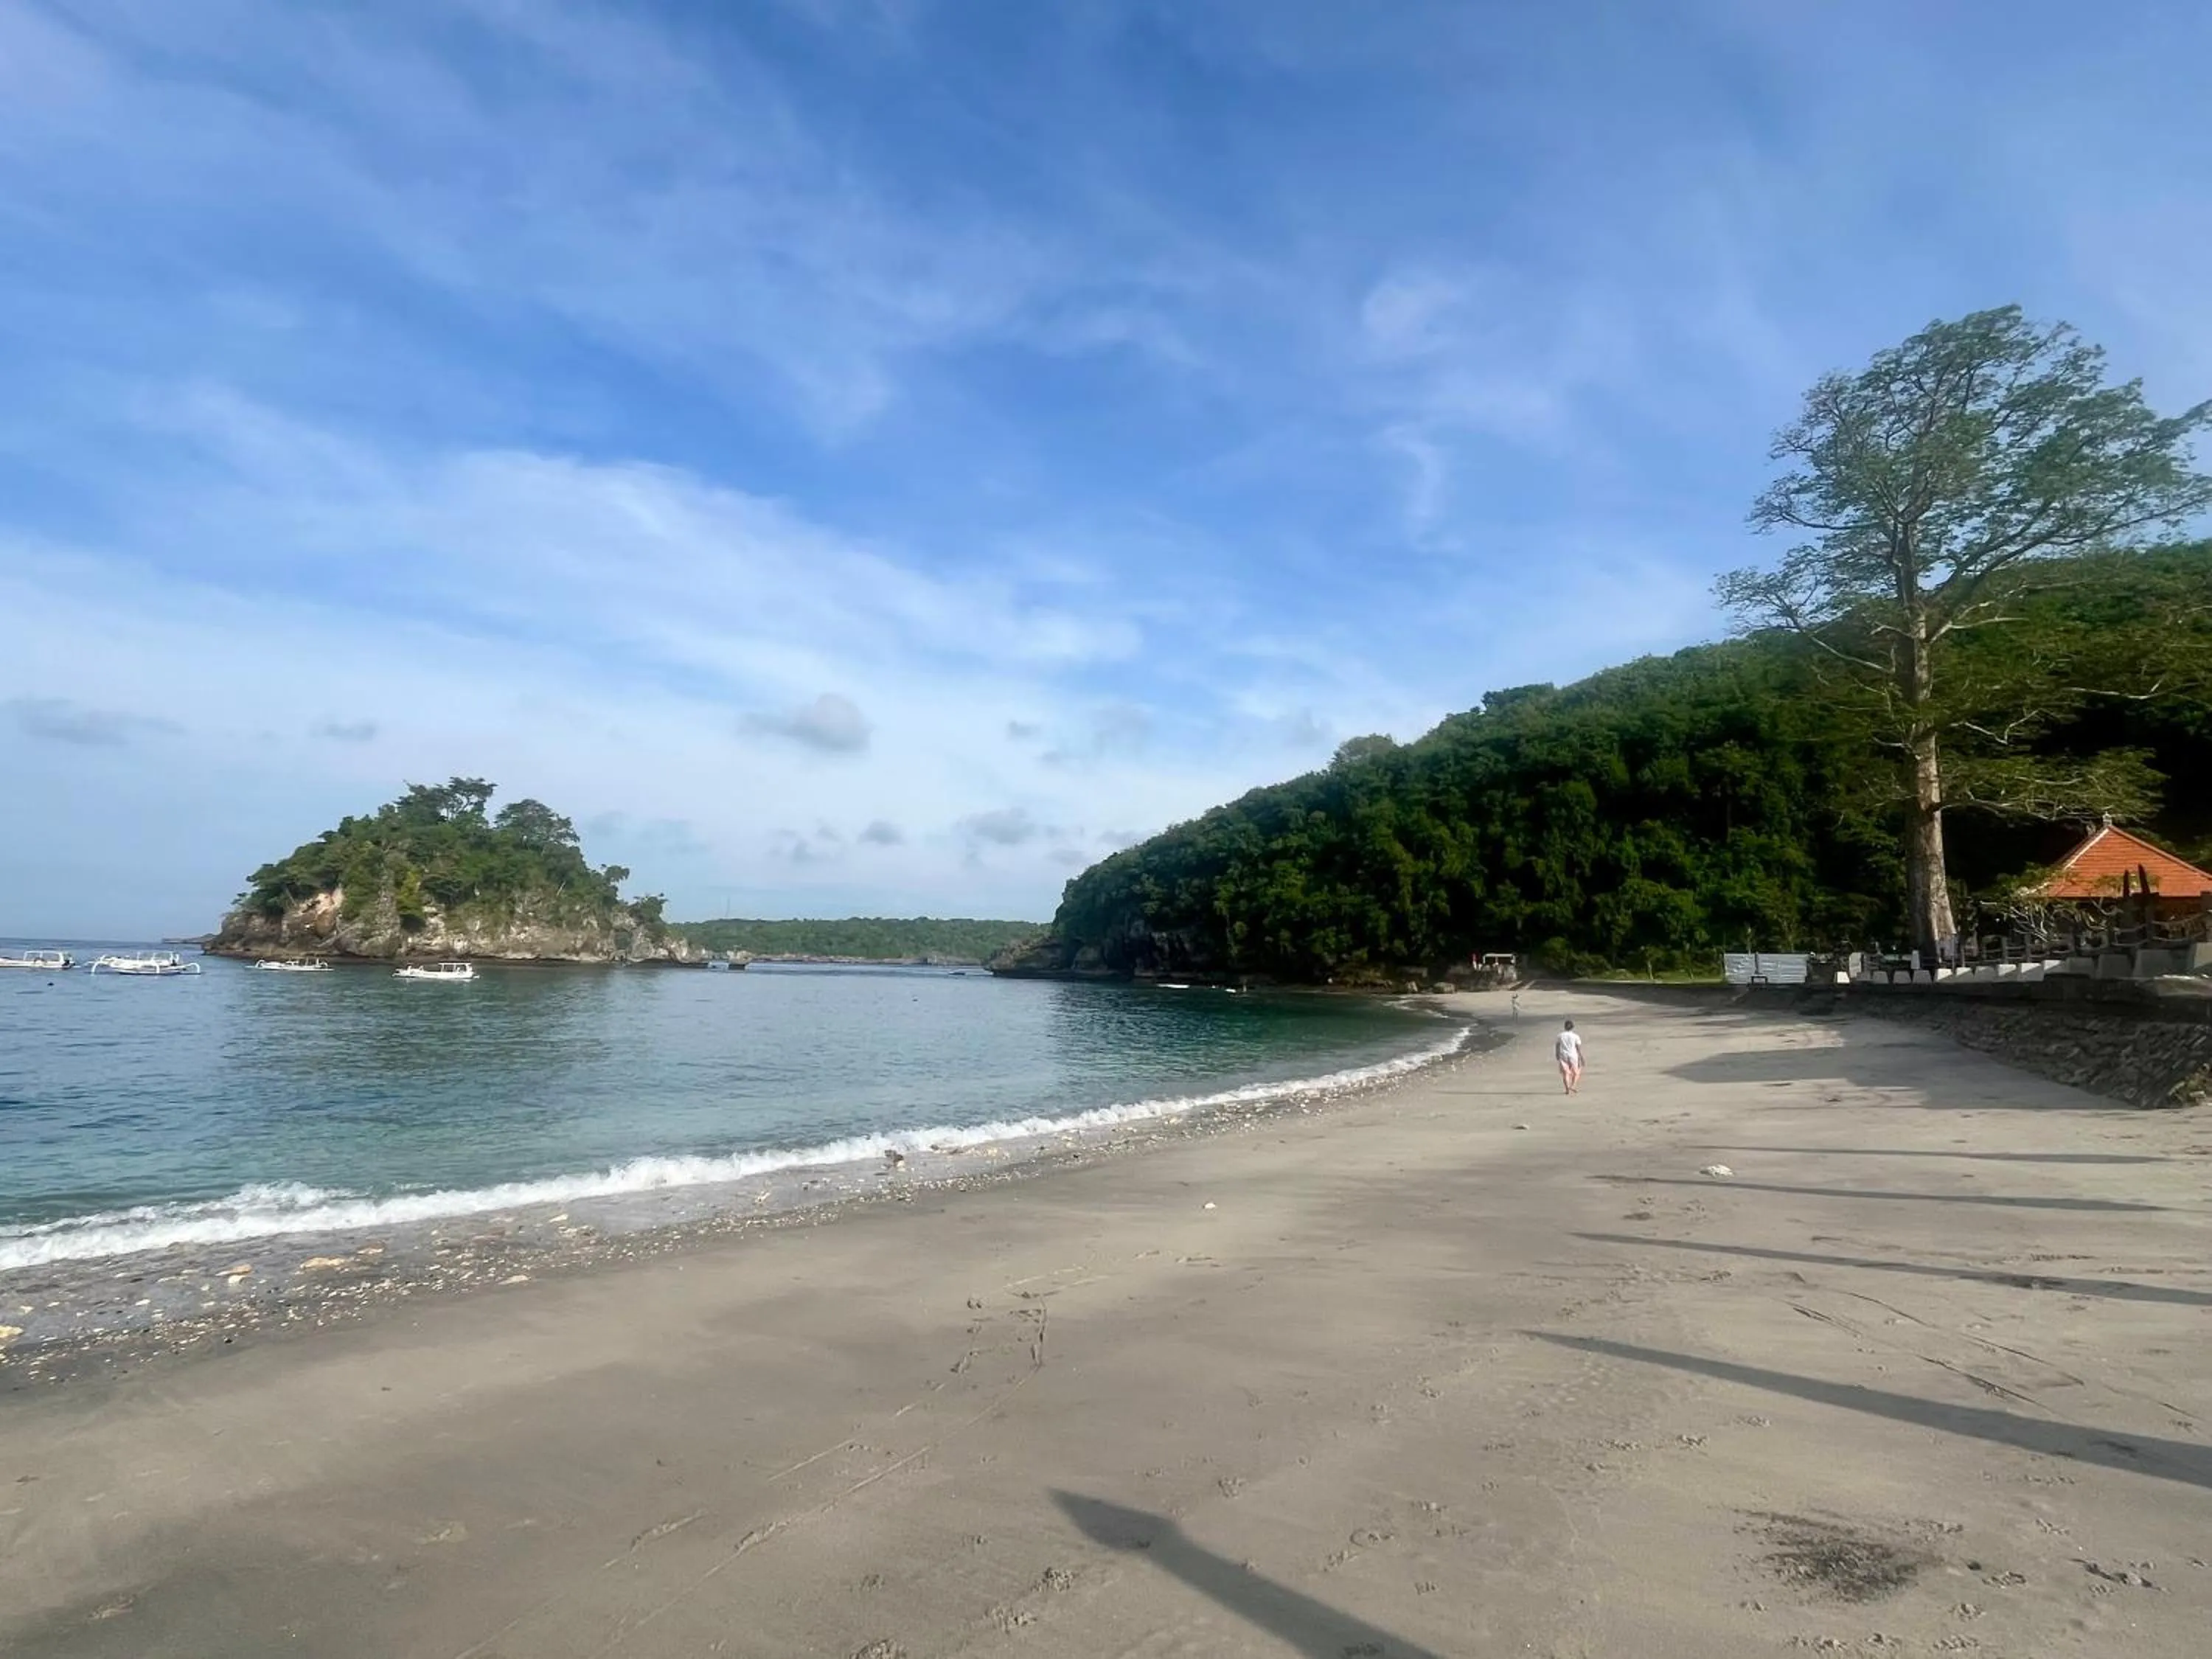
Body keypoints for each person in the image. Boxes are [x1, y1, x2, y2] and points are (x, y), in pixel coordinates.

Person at [1554, 1018, 1584, 1095]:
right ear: (1573, 1027)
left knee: (1565, 1073)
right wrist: (1581, 1057)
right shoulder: (1576, 1036)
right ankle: (1573, 1086)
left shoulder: (1560, 1035)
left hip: (1563, 1055)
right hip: (1573, 1055)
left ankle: (1567, 1089)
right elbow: (1578, 1047)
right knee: (1576, 1072)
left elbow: (1557, 1046)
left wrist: (1557, 1054)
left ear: (1565, 1027)